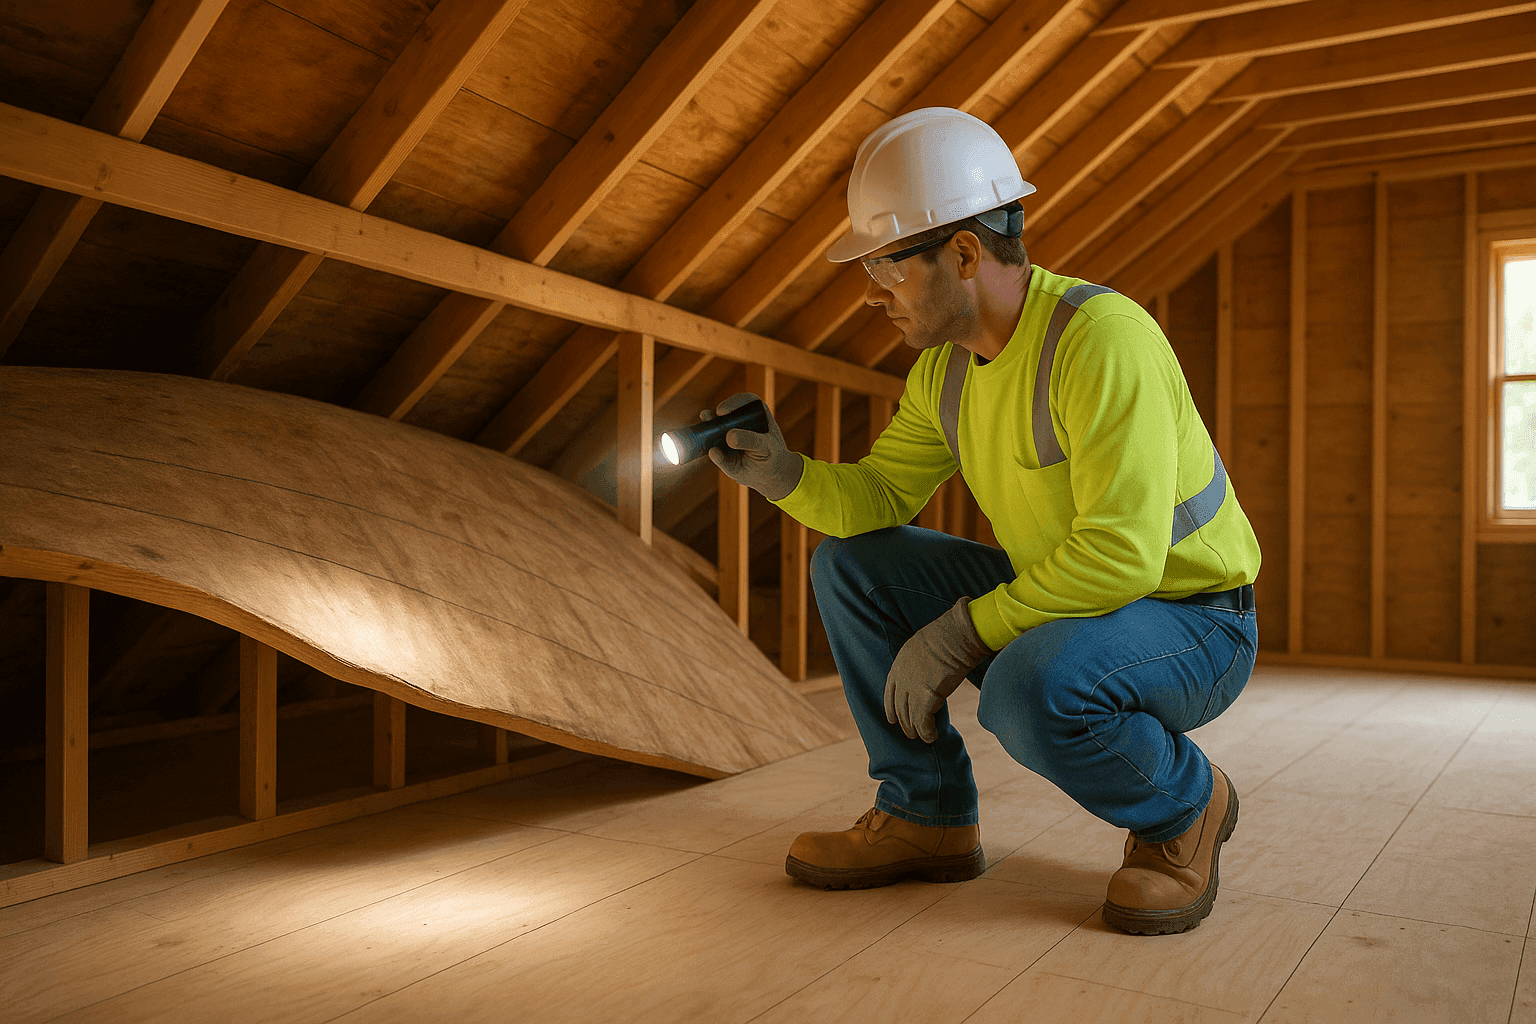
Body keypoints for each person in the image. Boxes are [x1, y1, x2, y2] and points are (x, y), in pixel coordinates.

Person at [696, 107, 1262, 936]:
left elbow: (1121, 558)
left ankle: (1185, 807)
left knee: (1027, 687)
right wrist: (785, 475)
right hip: (1069, 597)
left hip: (1194, 619)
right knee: (850, 566)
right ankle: (925, 814)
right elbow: (879, 501)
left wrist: (960, 632)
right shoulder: (944, 375)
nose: (873, 292)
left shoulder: (1100, 340)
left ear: (962, 253)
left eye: (888, 266)